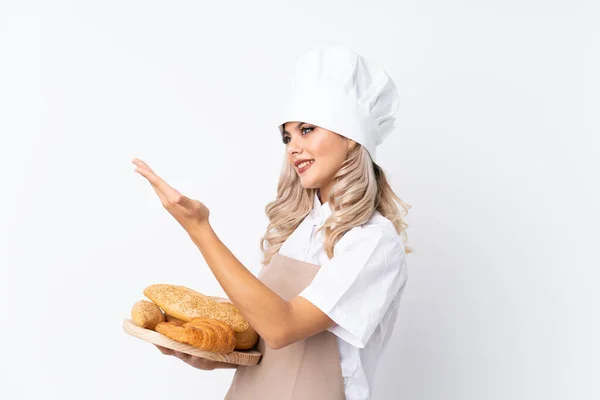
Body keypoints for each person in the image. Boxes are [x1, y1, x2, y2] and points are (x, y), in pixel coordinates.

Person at [135, 45, 412, 400]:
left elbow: (282, 328)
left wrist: (198, 228)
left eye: (307, 130)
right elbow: (263, 341)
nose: (293, 147)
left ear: (352, 139)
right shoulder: (299, 230)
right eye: (287, 136)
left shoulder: (372, 242)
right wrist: (214, 353)